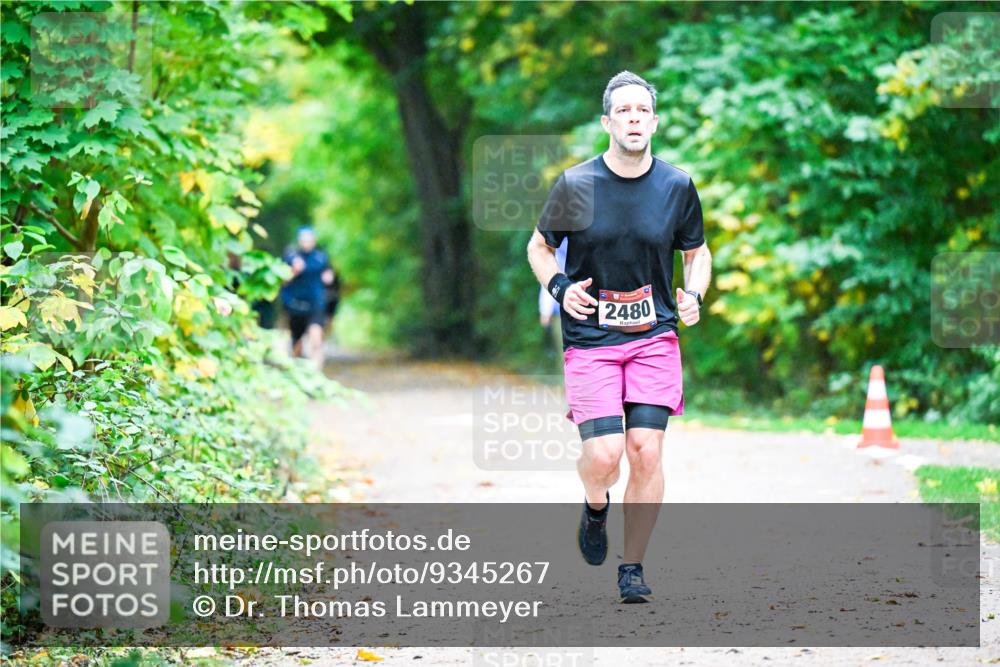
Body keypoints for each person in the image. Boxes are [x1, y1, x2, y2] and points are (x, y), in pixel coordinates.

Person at [526, 71, 712, 603]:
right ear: (608, 122)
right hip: (590, 338)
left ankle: (632, 566)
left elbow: (696, 253)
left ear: (654, 121)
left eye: (642, 111)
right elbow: (539, 247)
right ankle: (595, 503)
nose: (634, 119)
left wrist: (693, 294)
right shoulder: (576, 185)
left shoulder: (677, 186)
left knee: (645, 450)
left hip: (654, 334)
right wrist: (559, 285)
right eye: (623, 111)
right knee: (605, 456)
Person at [280, 227, 333, 369]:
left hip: (316, 303)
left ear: (314, 241)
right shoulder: (291, 257)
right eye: (304, 240)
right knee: (297, 343)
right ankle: (296, 370)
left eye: (309, 240)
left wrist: (328, 277)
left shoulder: (321, 258)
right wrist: (294, 271)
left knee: (316, 336)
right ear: (299, 241)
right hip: (296, 305)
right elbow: (281, 281)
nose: (306, 243)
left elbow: (328, 273)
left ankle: (317, 371)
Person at [538, 238, 568, 363]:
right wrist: (546, 309)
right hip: (561, 308)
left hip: (561, 306)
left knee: (566, 353)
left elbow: (549, 278)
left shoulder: (556, 243)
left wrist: (545, 310)